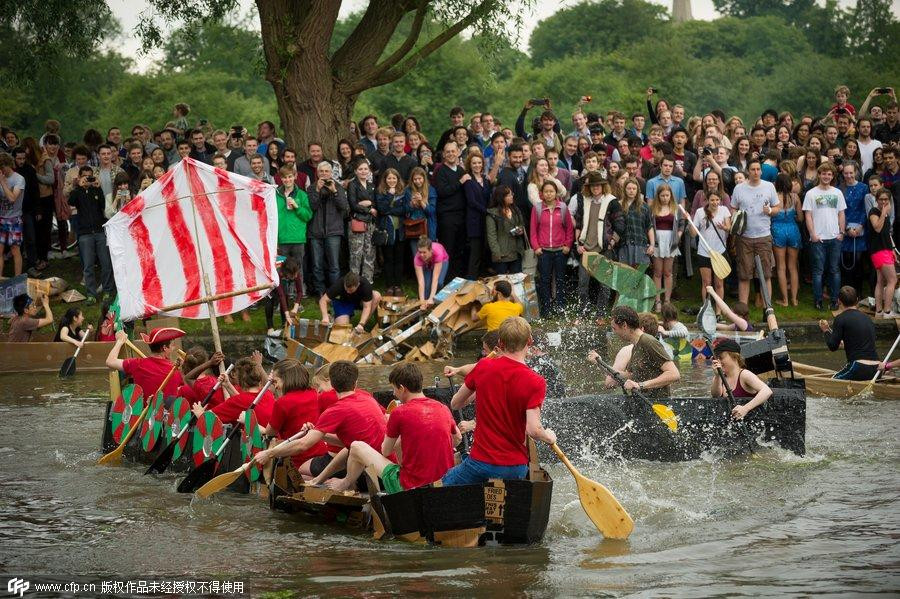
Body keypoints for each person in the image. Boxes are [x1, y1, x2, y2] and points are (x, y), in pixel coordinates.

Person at [442, 317, 556, 486]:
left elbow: (456, 403)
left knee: (444, 483)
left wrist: (480, 389)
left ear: (500, 343)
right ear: (529, 341)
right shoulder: (536, 381)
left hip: (479, 464)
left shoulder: (483, 366)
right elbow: (534, 430)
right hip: (514, 468)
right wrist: (550, 437)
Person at [319, 363, 460, 493]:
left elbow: (385, 451)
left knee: (356, 446)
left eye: (394, 388)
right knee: (401, 443)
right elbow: (457, 439)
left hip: (407, 486)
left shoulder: (399, 412)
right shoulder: (442, 408)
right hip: (442, 483)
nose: (393, 393)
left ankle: (345, 483)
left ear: (402, 388)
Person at [254, 361, 387, 486]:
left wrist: (269, 453)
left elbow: (302, 445)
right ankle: (335, 482)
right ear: (355, 382)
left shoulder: (333, 407)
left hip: (369, 474)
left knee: (296, 473)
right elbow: (348, 447)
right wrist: (319, 435)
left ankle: (344, 484)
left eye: (319, 387)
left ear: (332, 383)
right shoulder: (366, 397)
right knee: (352, 448)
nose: (317, 391)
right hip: (382, 466)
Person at [588, 305, 680, 399]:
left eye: (614, 328)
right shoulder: (636, 345)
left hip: (659, 403)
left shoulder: (648, 341)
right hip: (641, 402)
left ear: (624, 325)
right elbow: (629, 376)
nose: (614, 333)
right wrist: (600, 363)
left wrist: (640, 385)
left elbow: (674, 374)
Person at [259, 358, 328, 470]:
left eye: (276, 382)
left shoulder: (282, 403)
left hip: (298, 458)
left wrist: (251, 423)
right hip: (322, 452)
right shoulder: (314, 393)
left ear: (285, 379)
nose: (275, 386)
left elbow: (269, 433)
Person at [574, 172, 624, 316]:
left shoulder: (611, 201)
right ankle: (584, 311)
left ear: (603, 186)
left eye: (598, 185)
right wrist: (577, 244)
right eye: (592, 185)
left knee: (605, 284)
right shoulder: (585, 201)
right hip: (586, 248)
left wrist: (613, 241)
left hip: (604, 248)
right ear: (588, 187)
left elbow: (620, 223)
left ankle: (601, 313)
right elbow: (578, 223)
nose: (595, 188)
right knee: (583, 284)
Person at [731, 159, 780, 305]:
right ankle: (743, 310)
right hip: (744, 236)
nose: (756, 172)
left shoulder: (769, 186)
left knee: (765, 275)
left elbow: (777, 207)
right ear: (748, 171)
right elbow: (733, 207)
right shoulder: (739, 188)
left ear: (761, 171)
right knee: (744, 275)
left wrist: (770, 210)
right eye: (753, 169)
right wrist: (735, 218)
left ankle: (767, 309)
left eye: (758, 169)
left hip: (763, 236)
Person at [67, 165, 115, 304]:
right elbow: (70, 202)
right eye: (85, 176)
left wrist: (98, 187)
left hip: (100, 231)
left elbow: (102, 204)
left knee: (106, 263)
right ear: (80, 177)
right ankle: (91, 294)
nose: (88, 179)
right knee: (88, 265)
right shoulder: (78, 192)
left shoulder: (96, 189)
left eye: (90, 176)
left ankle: (107, 291)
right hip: (85, 233)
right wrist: (78, 186)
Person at [803, 162, 846, 311]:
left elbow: (841, 213)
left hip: (835, 237)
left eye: (829, 174)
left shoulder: (837, 193)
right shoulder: (811, 193)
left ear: (832, 176)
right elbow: (807, 215)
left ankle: (835, 300)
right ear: (819, 175)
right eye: (823, 173)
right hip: (818, 238)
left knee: (834, 270)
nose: (826, 176)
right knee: (818, 271)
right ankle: (818, 300)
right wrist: (812, 234)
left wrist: (842, 232)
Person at [530, 180, 574, 318]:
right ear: (542, 194)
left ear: (556, 193)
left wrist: (568, 245)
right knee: (544, 280)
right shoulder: (537, 208)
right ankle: (546, 310)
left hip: (560, 250)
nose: (549, 194)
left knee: (560, 280)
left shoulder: (563, 207)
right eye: (546, 191)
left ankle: (560, 308)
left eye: (551, 191)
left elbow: (569, 229)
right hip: (544, 251)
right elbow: (533, 230)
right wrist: (536, 247)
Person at [818, 286, 878, 380]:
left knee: (831, 382)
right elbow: (864, 344)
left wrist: (825, 330)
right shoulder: (867, 318)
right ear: (857, 300)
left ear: (839, 301)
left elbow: (832, 346)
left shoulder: (840, 318)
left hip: (859, 367)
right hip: (877, 368)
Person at [194, 357, 275, 427]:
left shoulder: (239, 400)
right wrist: (227, 384)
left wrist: (200, 413)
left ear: (240, 380)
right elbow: (246, 404)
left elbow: (208, 420)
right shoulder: (267, 393)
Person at [307, 162, 349, 297]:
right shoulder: (311, 188)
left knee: (334, 266)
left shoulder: (337, 187)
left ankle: (334, 292)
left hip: (333, 231)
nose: (324, 174)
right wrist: (318, 191)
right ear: (317, 173)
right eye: (321, 171)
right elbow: (312, 207)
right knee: (317, 265)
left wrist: (335, 191)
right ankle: (320, 292)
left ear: (331, 173)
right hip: (315, 231)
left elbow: (344, 207)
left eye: (327, 171)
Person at [105, 328, 185, 397]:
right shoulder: (176, 371)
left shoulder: (138, 364)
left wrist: (119, 341)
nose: (174, 348)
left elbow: (110, 361)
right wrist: (183, 370)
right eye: (172, 345)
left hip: (145, 412)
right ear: (164, 348)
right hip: (169, 413)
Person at [710, 339, 773, 420]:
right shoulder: (718, 377)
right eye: (716, 358)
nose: (717, 362)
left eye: (721, 357)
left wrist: (745, 408)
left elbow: (767, 391)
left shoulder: (744, 375)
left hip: (750, 421)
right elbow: (715, 395)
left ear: (734, 356)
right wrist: (717, 376)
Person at [433, 141, 468, 280]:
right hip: (447, 217)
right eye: (448, 152)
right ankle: (446, 280)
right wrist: (460, 182)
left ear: (458, 152)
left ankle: (457, 279)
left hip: (461, 215)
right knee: (448, 250)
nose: (451, 154)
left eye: (453, 151)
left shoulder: (460, 170)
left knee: (460, 249)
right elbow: (442, 191)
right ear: (443, 155)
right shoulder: (440, 171)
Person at [690, 191, 731, 304]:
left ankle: (719, 311)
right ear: (707, 201)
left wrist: (724, 227)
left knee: (719, 284)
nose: (715, 202)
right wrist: (690, 222)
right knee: (707, 283)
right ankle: (706, 309)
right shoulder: (700, 212)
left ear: (720, 200)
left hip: (719, 251)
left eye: (717, 200)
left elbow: (729, 227)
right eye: (712, 200)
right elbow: (693, 234)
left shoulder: (724, 210)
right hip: (704, 251)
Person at [771, 174, 803, 307]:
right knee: (793, 267)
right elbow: (800, 218)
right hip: (793, 230)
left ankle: (784, 300)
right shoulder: (795, 197)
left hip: (778, 230)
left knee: (781, 267)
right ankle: (794, 299)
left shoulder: (773, 198)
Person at [375, 168, 408, 297]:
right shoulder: (381, 192)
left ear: (398, 179)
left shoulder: (403, 192)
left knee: (399, 259)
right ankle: (389, 285)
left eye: (394, 178)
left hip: (400, 230)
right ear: (385, 179)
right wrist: (389, 195)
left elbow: (404, 209)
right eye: (389, 178)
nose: (392, 180)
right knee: (388, 259)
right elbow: (382, 209)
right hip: (387, 231)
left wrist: (391, 210)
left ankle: (398, 285)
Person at [650, 184, 682, 310]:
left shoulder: (676, 208)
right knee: (657, 272)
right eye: (662, 195)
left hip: (671, 241)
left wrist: (677, 237)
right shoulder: (653, 209)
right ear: (658, 196)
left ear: (670, 196)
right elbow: (649, 225)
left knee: (668, 272)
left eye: (667, 195)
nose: (664, 198)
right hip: (657, 240)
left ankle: (667, 301)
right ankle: (657, 300)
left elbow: (681, 224)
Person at [867, 189, 897, 318]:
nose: (884, 202)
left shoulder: (886, 215)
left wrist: (892, 249)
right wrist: (884, 212)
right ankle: (888, 311)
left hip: (885, 250)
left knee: (880, 281)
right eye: (881, 199)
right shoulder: (874, 212)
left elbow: (886, 234)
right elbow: (877, 228)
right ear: (877, 200)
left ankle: (879, 312)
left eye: (886, 199)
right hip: (879, 251)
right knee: (892, 280)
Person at [346, 159, 377, 282]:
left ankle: (367, 282)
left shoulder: (372, 185)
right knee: (356, 254)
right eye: (360, 169)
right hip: (357, 222)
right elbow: (353, 205)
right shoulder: (352, 185)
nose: (363, 171)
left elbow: (375, 203)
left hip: (370, 224)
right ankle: (354, 282)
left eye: (365, 169)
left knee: (369, 253)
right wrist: (368, 209)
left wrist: (368, 204)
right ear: (355, 171)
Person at [485, 185, 527, 274]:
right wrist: (497, 253)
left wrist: (520, 230)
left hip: (517, 251)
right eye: (508, 195)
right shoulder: (492, 214)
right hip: (502, 254)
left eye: (512, 194)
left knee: (517, 281)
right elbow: (491, 236)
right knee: (503, 282)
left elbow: (521, 224)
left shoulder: (515, 209)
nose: (512, 197)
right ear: (501, 197)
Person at [463, 152, 492, 279]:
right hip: (474, 221)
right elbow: (471, 201)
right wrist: (487, 211)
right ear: (470, 164)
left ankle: (481, 280)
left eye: (479, 162)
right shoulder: (468, 180)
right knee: (475, 253)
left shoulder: (485, 179)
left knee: (483, 252)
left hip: (486, 220)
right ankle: (471, 280)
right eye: (474, 163)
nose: (477, 165)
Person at [618, 177, 655, 267]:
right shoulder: (619, 205)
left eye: (634, 189)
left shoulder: (644, 206)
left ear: (637, 190)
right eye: (629, 188)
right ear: (624, 189)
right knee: (625, 274)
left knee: (639, 274)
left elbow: (649, 226)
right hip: (624, 244)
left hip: (640, 244)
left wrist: (652, 244)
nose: (631, 191)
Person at [413, 236, 449, 306]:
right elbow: (420, 281)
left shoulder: (438, 253)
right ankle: (426, 304)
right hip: (427, 262)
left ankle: (437, 301)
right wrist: (422, 300)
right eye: (420, 252)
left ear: (430, 250)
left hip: (442, 260)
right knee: (426, 286)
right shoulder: (417, 258)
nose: (421, 255)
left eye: (424, 252)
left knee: (439, 282)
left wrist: (431, 298)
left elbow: (435, 278)